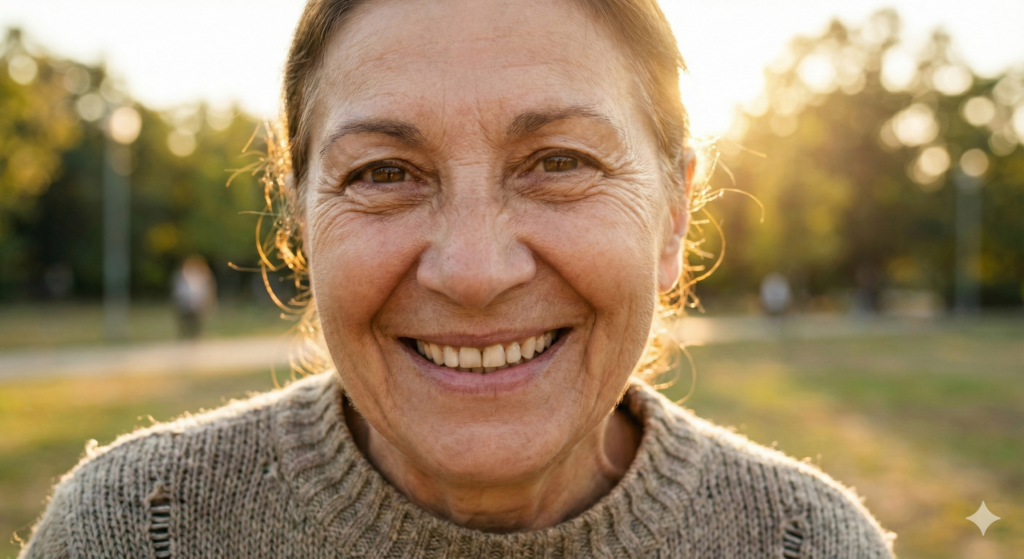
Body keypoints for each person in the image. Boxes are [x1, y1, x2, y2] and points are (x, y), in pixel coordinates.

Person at [19, 0, 895, 557]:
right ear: (298, 223)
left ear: (672, 218)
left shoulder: (806, 544)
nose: (474, 272)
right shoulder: (138, 529)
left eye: (558, 161)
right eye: (384, 173)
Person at [171, 255, 217, 339]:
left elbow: (205, 291)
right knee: (185, 323)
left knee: (196, 323)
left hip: (197, 305)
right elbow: (179, 292)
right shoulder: (182, 276)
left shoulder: (201, 276)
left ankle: (195, 337)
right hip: (185, 304)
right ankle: (186, 336)